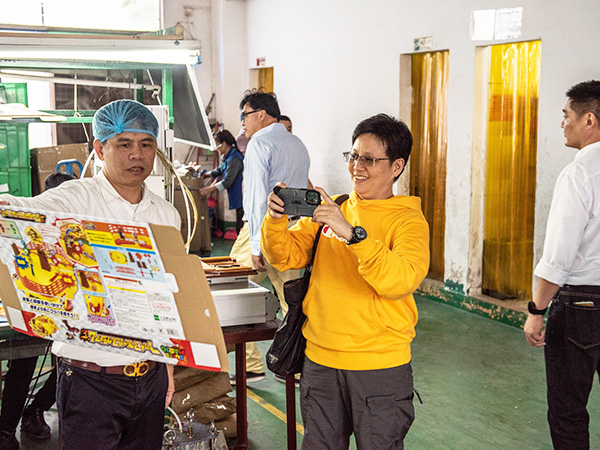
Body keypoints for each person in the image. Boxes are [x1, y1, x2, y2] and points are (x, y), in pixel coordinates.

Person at [0, 99, 181, 450]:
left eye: (146, 144)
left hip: (151, 375)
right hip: (90, 379)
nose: (137, 154)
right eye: (124, 144)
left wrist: (168, 370)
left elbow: (166, 297)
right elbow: (23, 211)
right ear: (99, 149)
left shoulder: (166, 214)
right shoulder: (75, 200)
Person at [261, 113, 430, 449]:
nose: (357, 167)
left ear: (396, 166)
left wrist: (353, 235)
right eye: (353, 156)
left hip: (379, 367)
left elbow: (400, 280)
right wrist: (275, 219)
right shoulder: (335, 207)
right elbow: (284, 256)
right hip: (320, 361)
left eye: (369, 159)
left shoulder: (408, 221)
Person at [524, 80, 600, 449]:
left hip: (581, 306)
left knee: (568, 410)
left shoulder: (580, 173)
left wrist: (536, 310)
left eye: (566, 115)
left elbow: (559, 255)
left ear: (589, 120)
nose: (562, 123)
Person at [229, 89, 310, 382]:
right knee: (293, 302)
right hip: (294, 230)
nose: (243, 124)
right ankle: (295, 367)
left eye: (245, 116)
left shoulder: (259, 143)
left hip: (264, 227)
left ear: (261, 115)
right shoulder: (297, 143)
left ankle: (250, 364)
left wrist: (256, 245)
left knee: (234, 287)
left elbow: (255, 198)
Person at [0, 172, 78, 450]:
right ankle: (5, 430)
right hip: (31, 312)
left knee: (71, 366)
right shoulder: (29, 230)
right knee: (24, 361)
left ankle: (35, 409)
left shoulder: (77, 232)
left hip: (68, 315)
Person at [200, 130, 244, 234]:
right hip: (236, 195)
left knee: (241, 225)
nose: (216, 148)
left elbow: (228, 181)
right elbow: (220, 169)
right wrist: (205, 175)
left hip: (242, 195)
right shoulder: (227, 156)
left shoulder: (234, 159)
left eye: (217, 145)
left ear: (223, 144)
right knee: (239, 223)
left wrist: (209, 189)